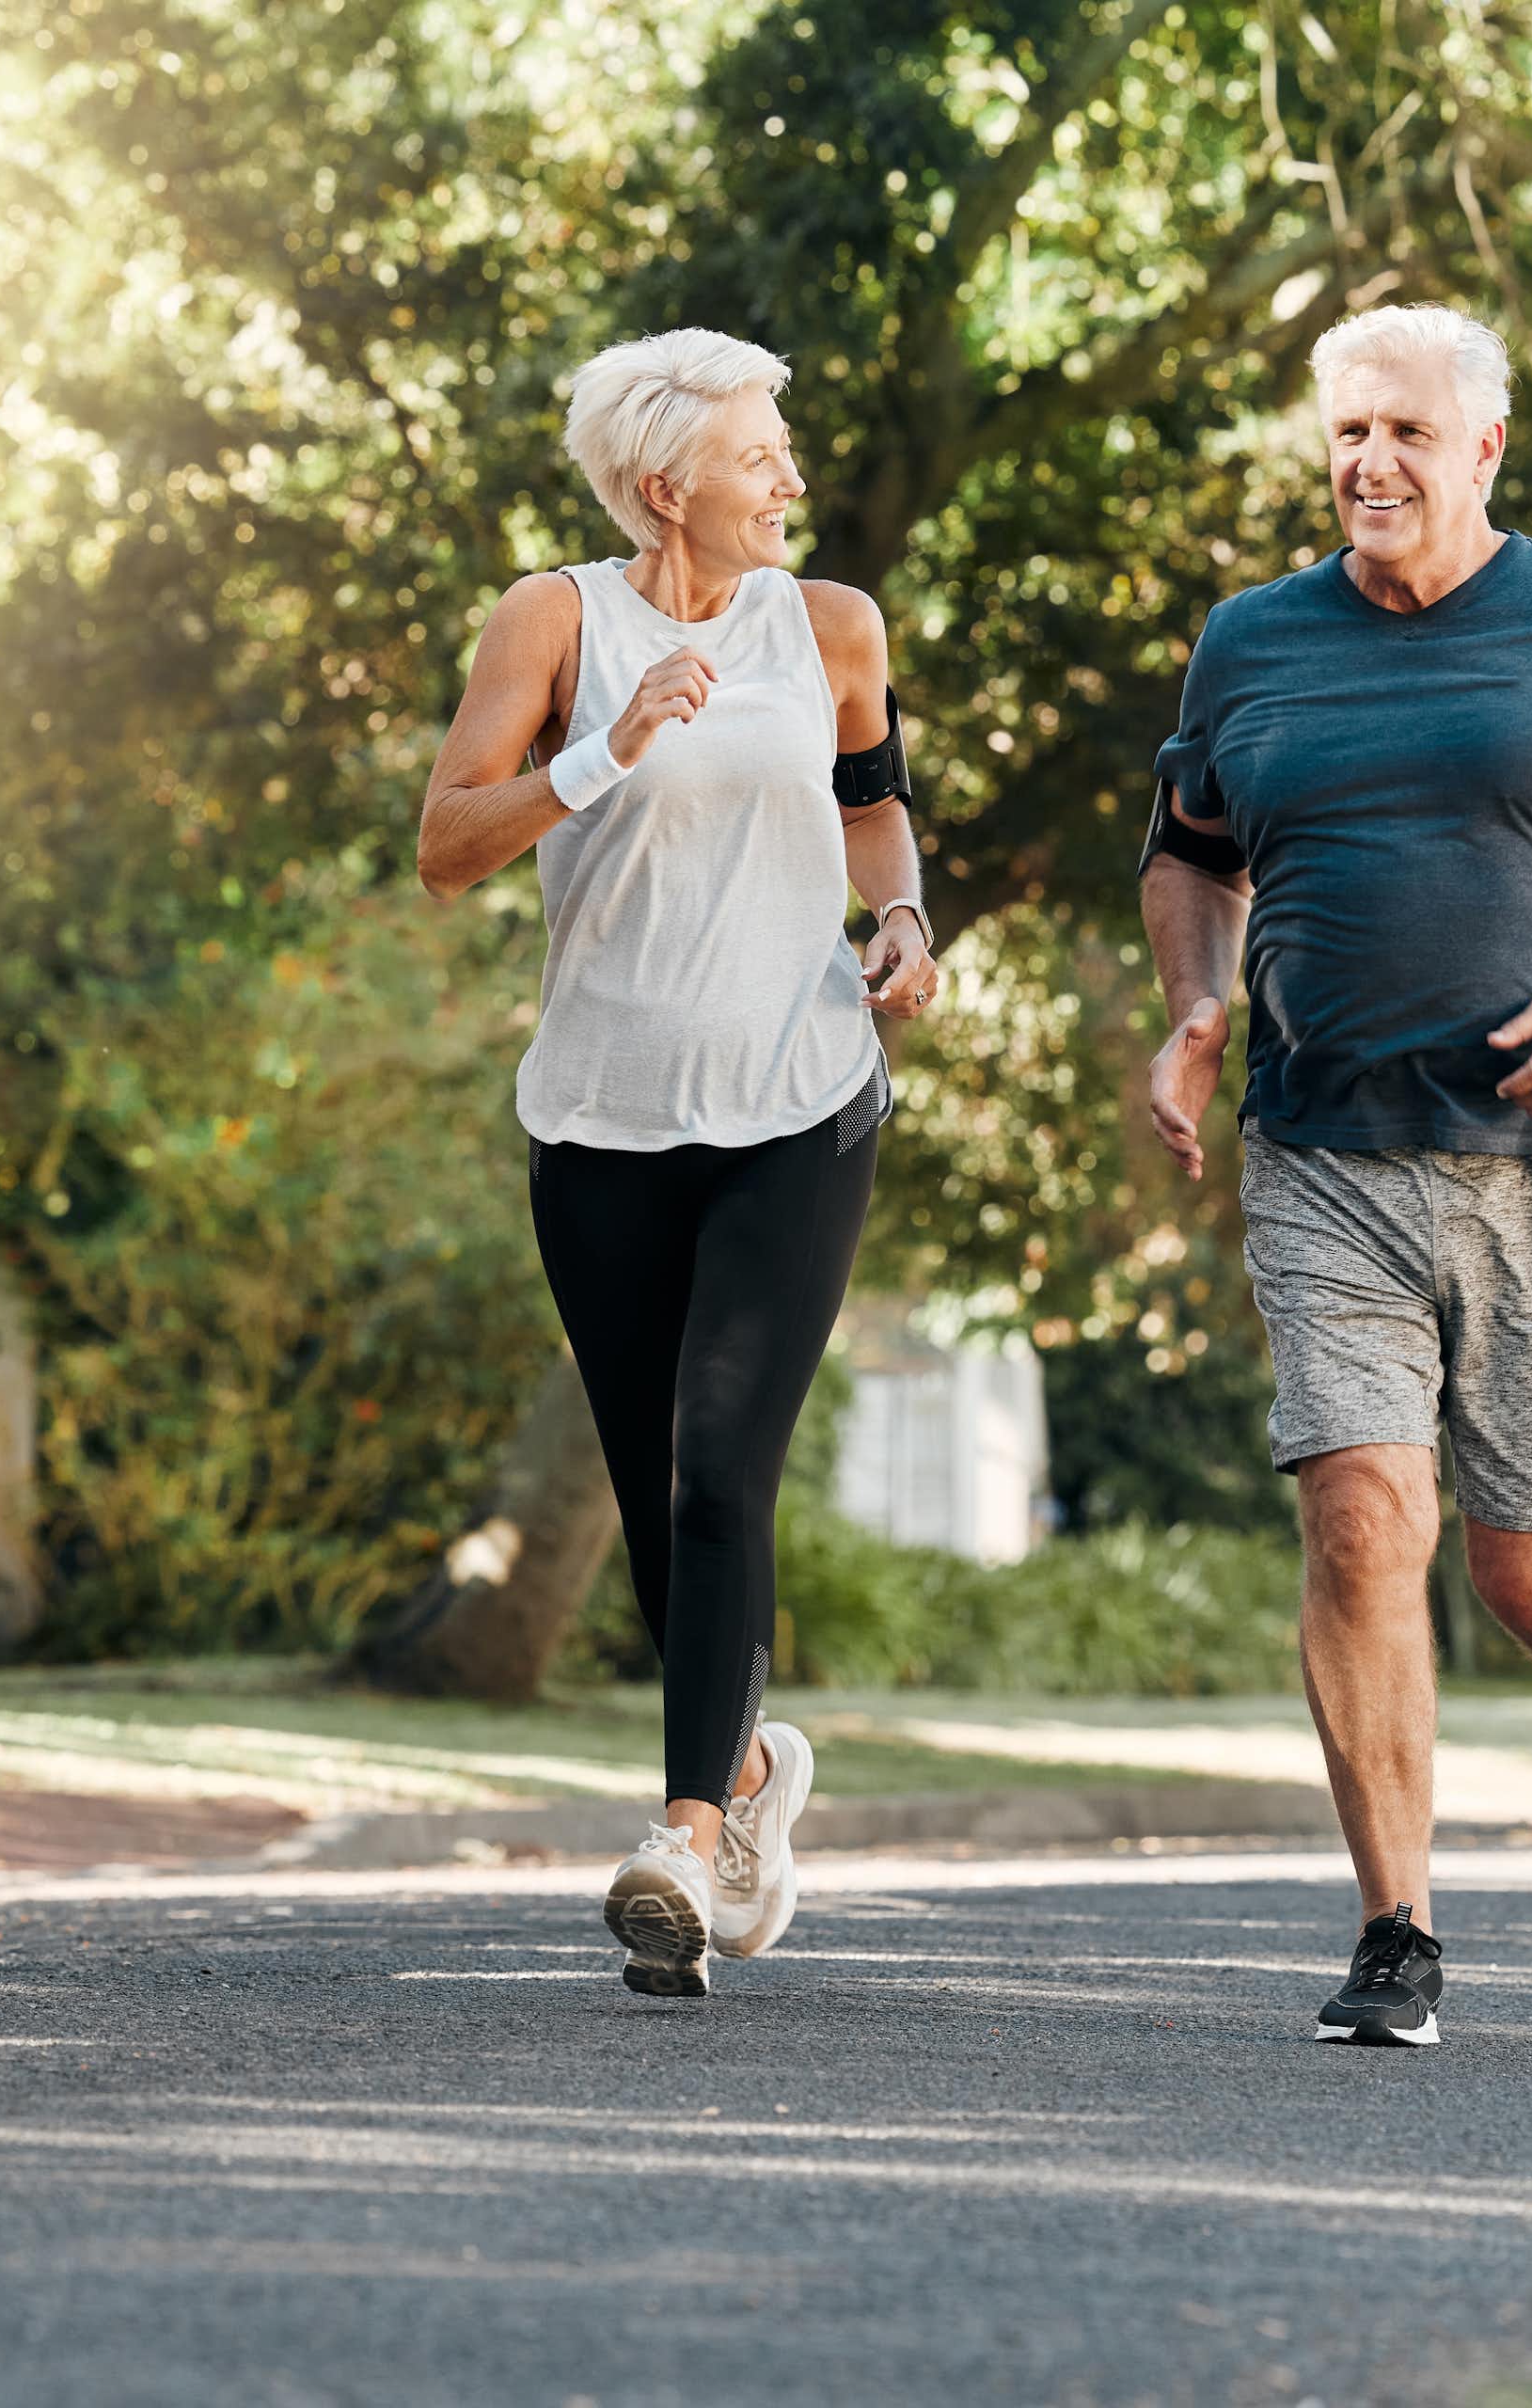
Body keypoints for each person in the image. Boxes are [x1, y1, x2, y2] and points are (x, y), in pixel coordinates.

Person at [1139, 303, 1532, 2048]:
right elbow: (1190, 856)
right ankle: (1396, 1931)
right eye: (1350, 432)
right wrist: (1199, 1004)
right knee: (1363, 1518)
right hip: (1324, 1148)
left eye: (1409, 434)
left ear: (1484, 451)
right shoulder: (1251, 644)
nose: (1372, 463)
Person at [416, 328, 938, 1999]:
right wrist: (606, 747)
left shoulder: (832, 626)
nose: (791, 473)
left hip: (798, 1101)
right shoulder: (553, 620)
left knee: (724, 1461)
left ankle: (684, 1838)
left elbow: (873, 805)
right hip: (601, 1121)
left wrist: (905, 915)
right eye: (761, 453)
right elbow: (445, 846)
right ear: (668, 488)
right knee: (658, 1500)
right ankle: (758, 1781)